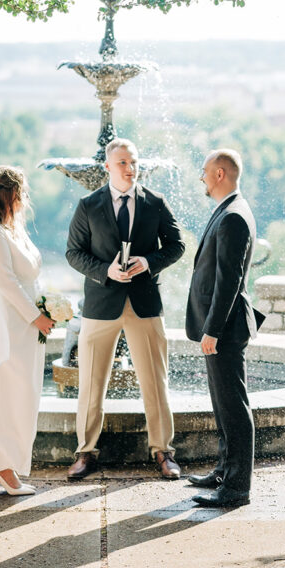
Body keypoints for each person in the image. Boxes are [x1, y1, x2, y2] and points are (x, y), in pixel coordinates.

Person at [66, 138, 185, 480]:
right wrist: (106, 270)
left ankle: (163, 451)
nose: (130, 168)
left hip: (144, 305)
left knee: (155, 382)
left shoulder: (155, 203)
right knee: (90, 383)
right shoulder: (88, 205)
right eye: (122, 163)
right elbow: (73, 253)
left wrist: (148, 262)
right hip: (100, 305)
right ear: (107, 166)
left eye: (133, 162)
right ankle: (86, 453)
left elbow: (177, 246)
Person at [0, 165, 55, 496]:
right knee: (3, 393)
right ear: (9, 195)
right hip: (10, 325)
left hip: (25, 327)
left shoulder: (11, 230)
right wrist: (36, 315)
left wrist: (46, 307)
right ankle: (2, 468)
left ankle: (8, 467)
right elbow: (6, 281)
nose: (25, 199)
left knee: (23, 394)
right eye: (21, 192)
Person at [185, 148, 258, 508]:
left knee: (233, 406)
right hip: (220, 328)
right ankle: (224, 472)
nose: (201, 177)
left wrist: (211, 330)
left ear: (219, 174)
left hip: (225, 330)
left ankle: (236, 489)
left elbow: (228, 281)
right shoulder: (230, 210)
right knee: (223, 403)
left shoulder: (233, 216)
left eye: (204, 171)